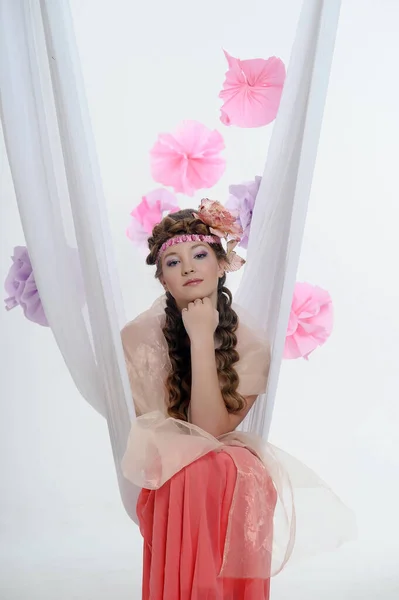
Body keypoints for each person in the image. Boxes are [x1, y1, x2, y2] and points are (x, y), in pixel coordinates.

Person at [120, 201, 354, 599]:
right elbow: (172, 435)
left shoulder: (251, 341)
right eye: (173, 263)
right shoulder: (140, 337)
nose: (189, 267)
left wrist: (201, 336)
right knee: (197, 472)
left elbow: (211, 429)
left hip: (214, 464)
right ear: (163, 281)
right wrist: (194, 334)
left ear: (222, 264)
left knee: (230, 468)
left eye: (199, 255)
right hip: (170, 465)